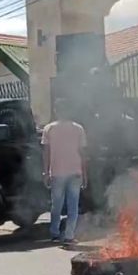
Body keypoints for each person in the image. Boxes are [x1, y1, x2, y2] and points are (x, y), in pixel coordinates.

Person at [42, 99, 88, 244]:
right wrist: (85, 173)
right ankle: (69, 236)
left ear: (56, 111)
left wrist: (45, 172)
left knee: (56, 205)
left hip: (57, 172)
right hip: (75, 171)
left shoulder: (49, 129)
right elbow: (82, 153)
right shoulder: (79, 129)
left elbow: (46, 153)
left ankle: (55, 233)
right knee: (73, 206)